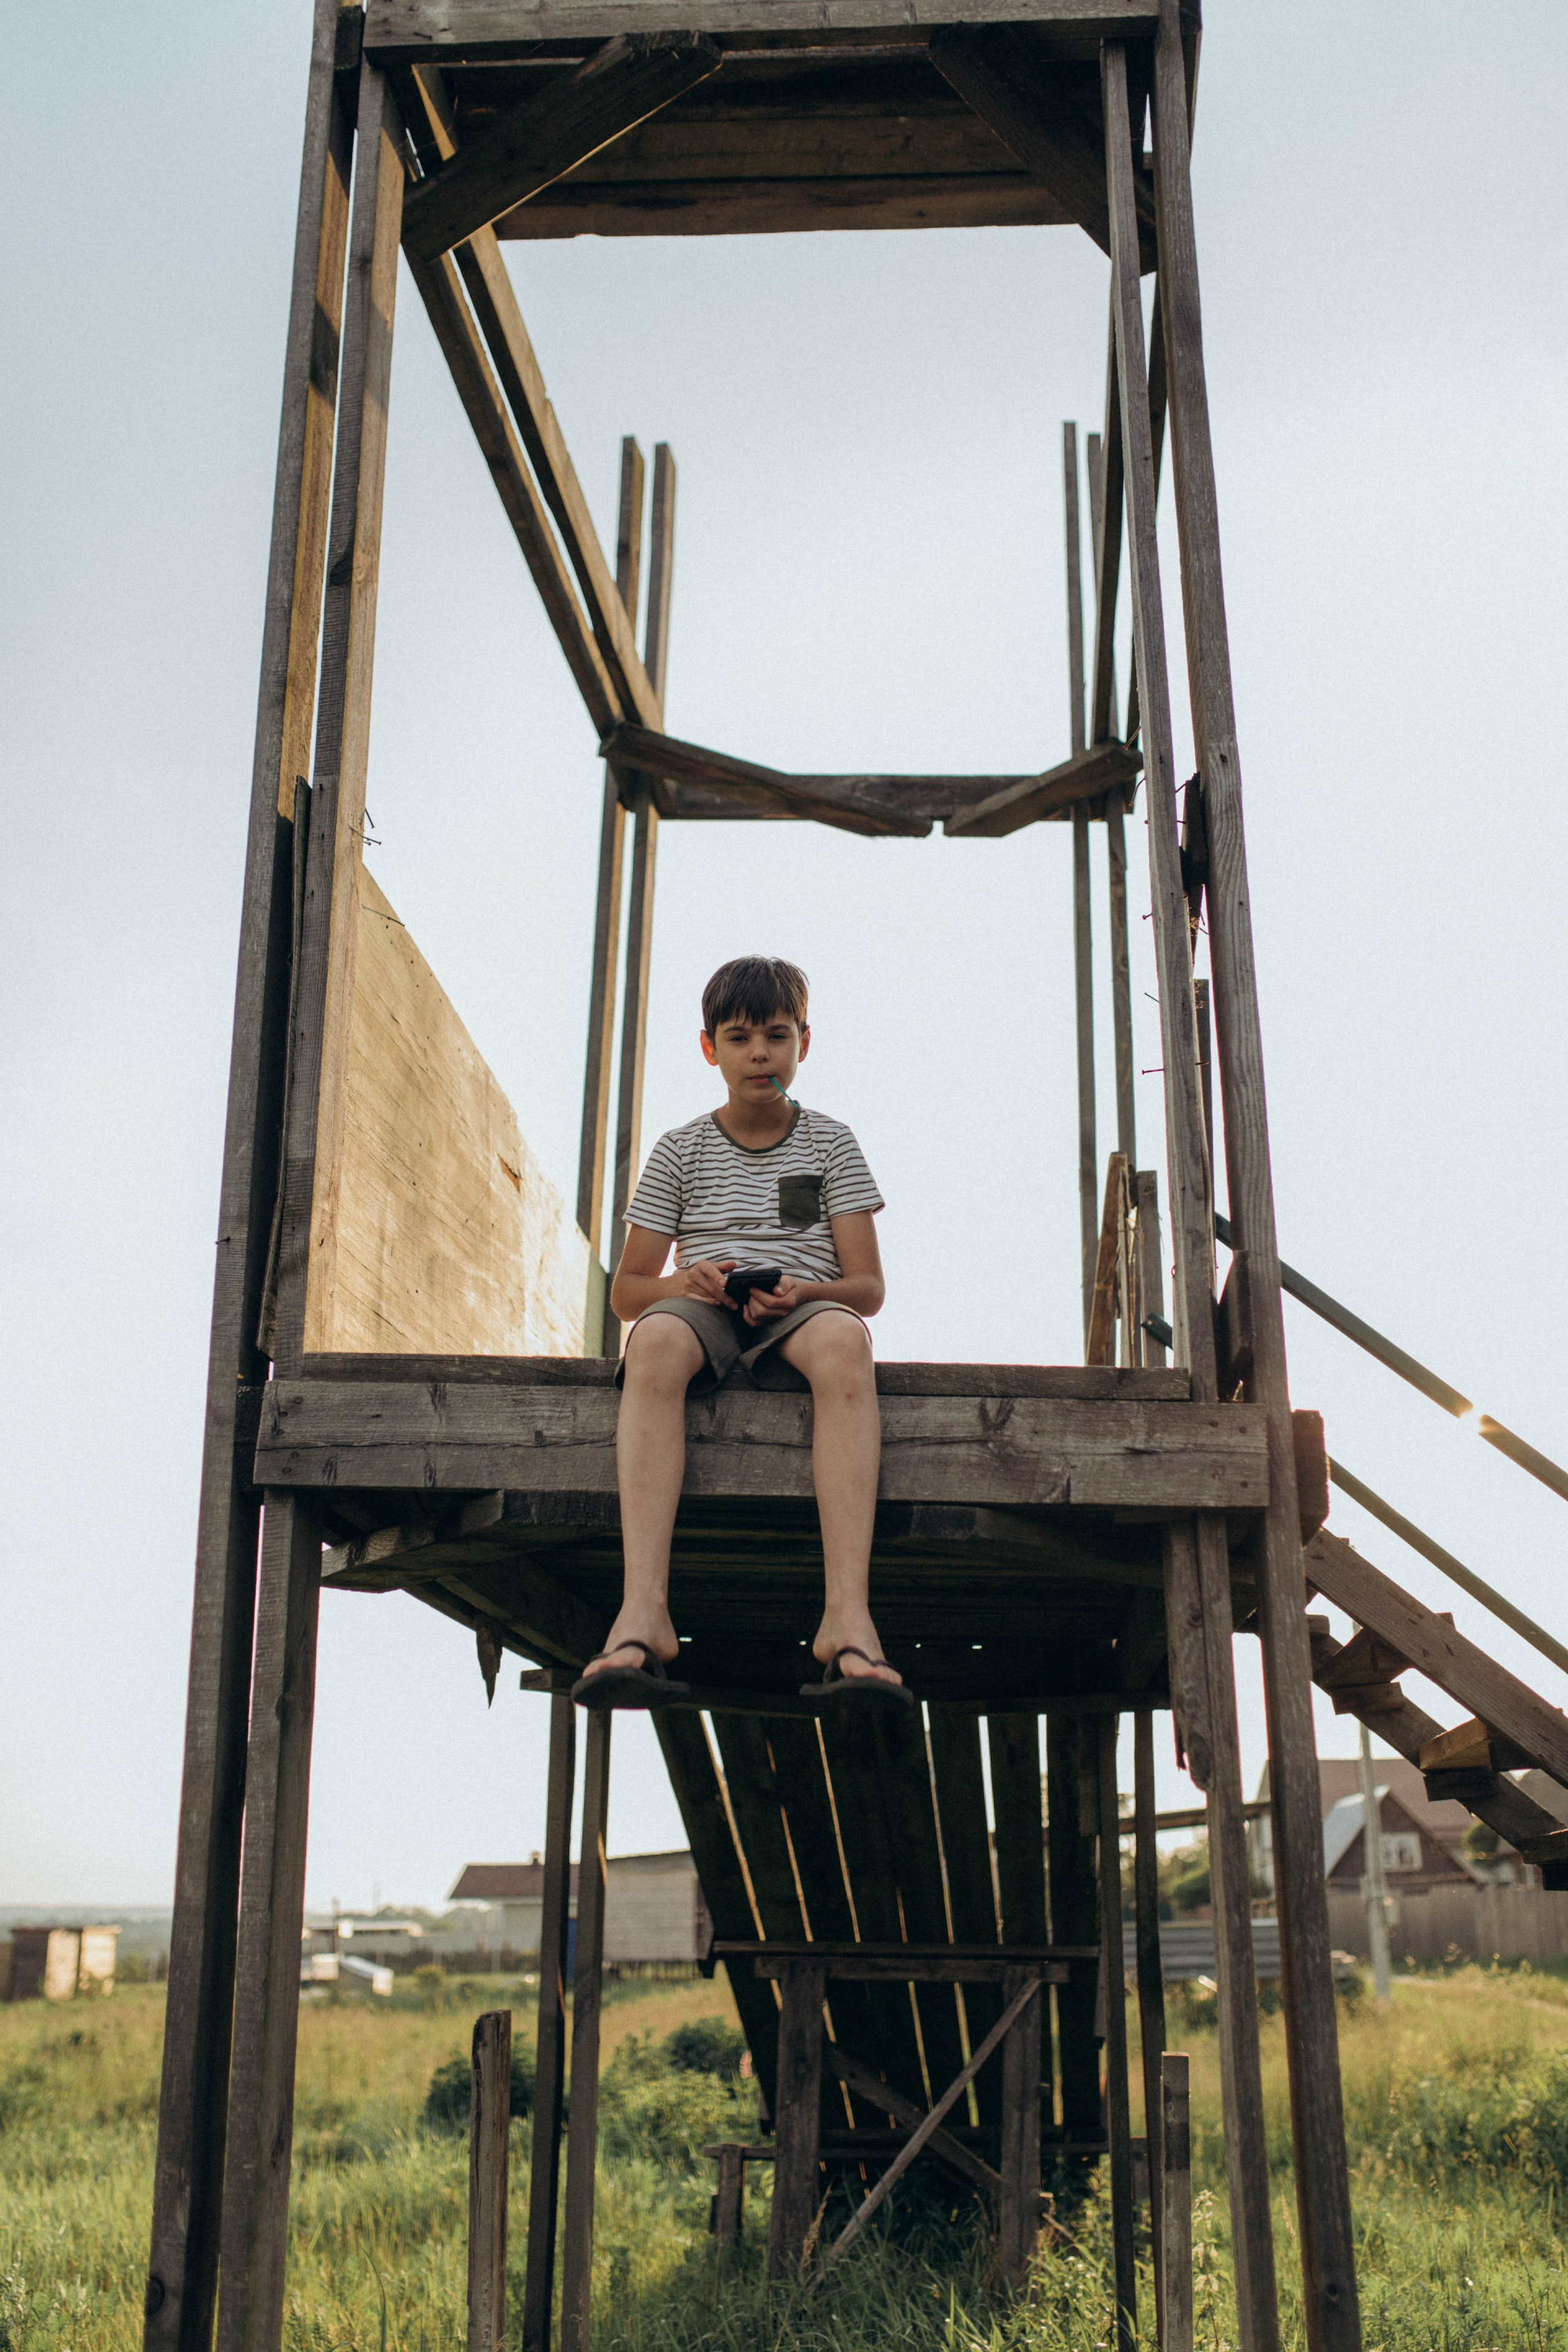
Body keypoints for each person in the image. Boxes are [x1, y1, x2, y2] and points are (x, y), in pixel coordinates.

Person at [571, 954, 910, 1713]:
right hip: (701, 1312)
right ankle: (642, 1613)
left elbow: (868, 1289)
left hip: (802, 1312)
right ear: (710, 1049)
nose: (760, 1054)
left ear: (803, 1044)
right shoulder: (680, 1149)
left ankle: (847, 1619)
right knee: (653, 1340)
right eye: (739, 1038)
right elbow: (628, 1293)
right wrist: (683, 1284)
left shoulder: (830, 1144)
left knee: (846, 1341)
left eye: (776, 1036)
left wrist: (804, 1291)